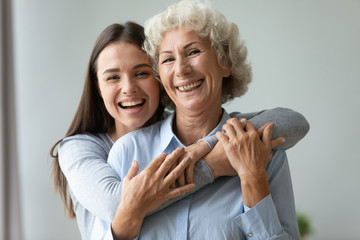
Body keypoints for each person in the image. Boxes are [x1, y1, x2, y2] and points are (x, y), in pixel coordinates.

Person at [52, 19, 308, 240]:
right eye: (112, 77)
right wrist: (211, 165)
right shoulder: (101, 150)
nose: (129, 88)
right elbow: (116, 205)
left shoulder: (252, 146)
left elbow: (292, 121)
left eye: (141, 73)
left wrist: (207, 146)